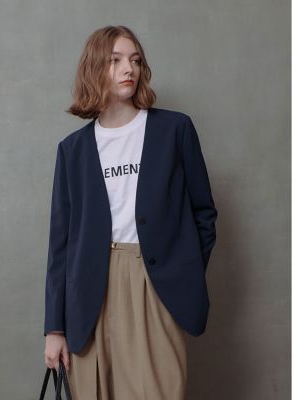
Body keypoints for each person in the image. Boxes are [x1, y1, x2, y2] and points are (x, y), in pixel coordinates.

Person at [44, 25, 218, 399]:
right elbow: (61, 245)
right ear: (95, 68)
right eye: (116, 60)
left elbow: (204, 213)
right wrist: (54, 329)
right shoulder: (72, 151)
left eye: (135, 60)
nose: (129, 69)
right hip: (89, 291)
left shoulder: (174, 130)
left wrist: (181, 270)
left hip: (154, 283)